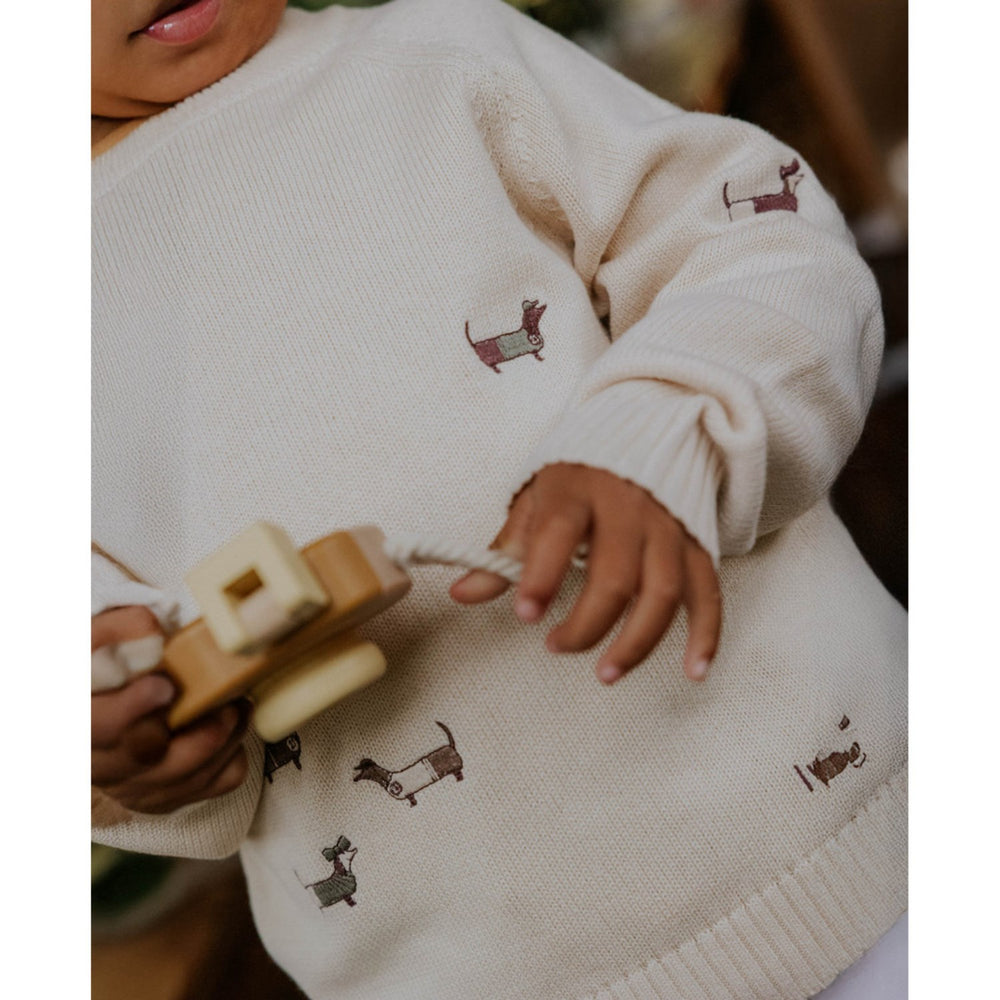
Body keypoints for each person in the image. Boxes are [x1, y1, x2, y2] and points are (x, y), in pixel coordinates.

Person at [91, 2, 907, 998]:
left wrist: (665, 432)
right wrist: (120, 750)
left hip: (860, 841)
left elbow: (760, 235)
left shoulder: (444, 58)